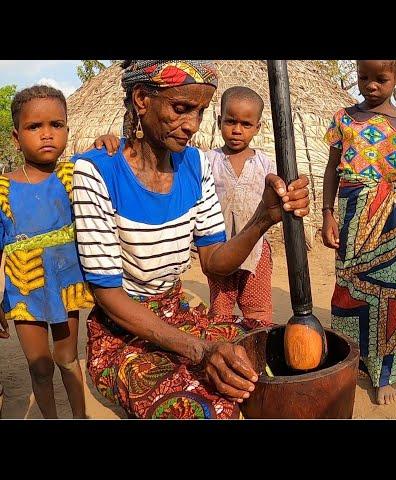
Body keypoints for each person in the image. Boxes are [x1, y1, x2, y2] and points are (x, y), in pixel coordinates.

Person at [72, 60, 309, 419]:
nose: (192, 126)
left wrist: (264, 217)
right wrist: (200, 350)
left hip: (178, 315)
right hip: (123, 335)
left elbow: (214, 260)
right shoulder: (97, 172)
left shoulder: (195, 166)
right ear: (141, 98)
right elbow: (109, 296)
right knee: (198, 409)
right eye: (181, 109)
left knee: (267, 357)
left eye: (200, 112)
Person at [322, 60, 396, 405]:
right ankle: (352, 360)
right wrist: (327, 215)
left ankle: (385, 373)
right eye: (363, 76)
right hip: (351, 216)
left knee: (391, 293)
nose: (370, 84)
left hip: (391, 221)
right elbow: (331, 170)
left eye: (380, 78)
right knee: (350, 290)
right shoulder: (343, 118)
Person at [0, 85, 92, 418]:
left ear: (68, 129)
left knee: (67, 359)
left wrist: (108, 145)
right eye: (34, 127)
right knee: (40, 366)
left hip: (65, 282)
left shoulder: (75, 175)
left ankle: (80, 416)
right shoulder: (3, 188)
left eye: (56, 124)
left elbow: (119, 162)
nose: (47, 134)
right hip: (23, 288)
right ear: (16, 136)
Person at [205, 86, 275, 323]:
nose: (236, 130)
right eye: (230, 121)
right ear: (219, 121)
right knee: (220, 311)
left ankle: (256, 353)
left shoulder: (265, 164)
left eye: (246, 125)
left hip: (256, 251)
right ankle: (222, 353)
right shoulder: (208, 161)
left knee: (258, 311)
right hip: (219, 249)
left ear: (257, 127)